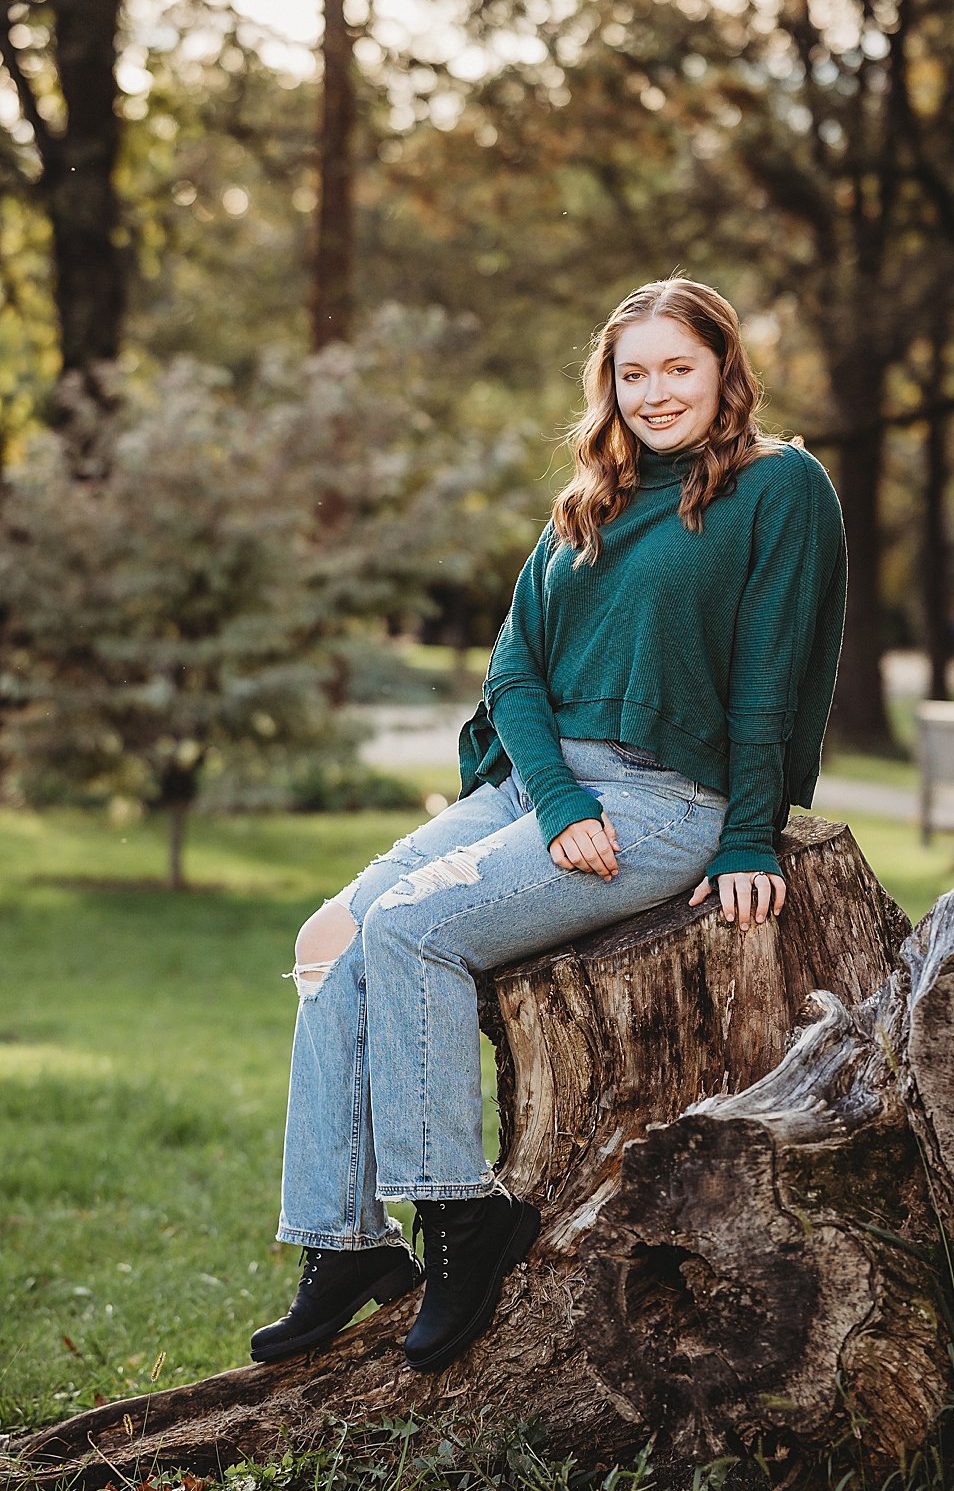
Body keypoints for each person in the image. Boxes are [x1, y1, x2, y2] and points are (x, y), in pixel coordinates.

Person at [250, 276, 847, 1376]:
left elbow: (775, 676)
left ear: (725, 371)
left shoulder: (781, 488)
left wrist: (754, 836)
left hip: (663, 801)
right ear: (608, 387)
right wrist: (557, 800)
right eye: (634, 373)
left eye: (680, 367)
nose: (656, 392)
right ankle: (345, 1242)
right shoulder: (594, 498)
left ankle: (461, 1214)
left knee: (414, 930)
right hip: (542, 788)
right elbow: (514, 670)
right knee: (326, 941)